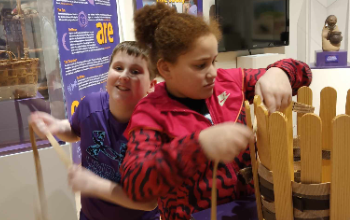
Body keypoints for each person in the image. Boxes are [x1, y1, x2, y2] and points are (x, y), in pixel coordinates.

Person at [120, 3, 312, 220]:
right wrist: (197, 145)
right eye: (200, 65)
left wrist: (280, 72)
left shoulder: (230, 82)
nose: (212, 73)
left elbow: (303, 72)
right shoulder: (149, 113)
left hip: (254, 209)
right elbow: (135, 182)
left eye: (214, 61)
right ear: (166, 68)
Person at [29, 41, 159, 220]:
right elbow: (75, 130)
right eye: (118, 67)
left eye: (135, 71)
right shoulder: (90, 105)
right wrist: (56, 126)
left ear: (151, 86)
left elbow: (149, 202)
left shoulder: (154, 129)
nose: (124, 76)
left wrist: (95, 185)